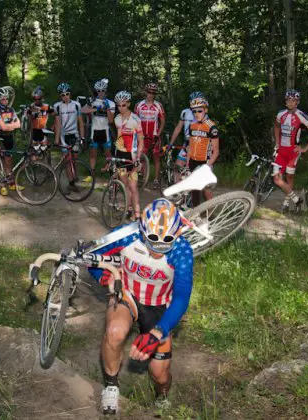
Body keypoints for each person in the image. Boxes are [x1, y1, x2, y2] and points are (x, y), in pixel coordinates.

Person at [85, 199, 194, 415]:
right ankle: (111, 385)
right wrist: (103, 275)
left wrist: (157, 332)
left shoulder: (182, 250)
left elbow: (181, 298)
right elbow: (91, 256)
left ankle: (162, 395)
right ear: (141, 230)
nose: (158, 250)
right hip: (128, 294)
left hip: (160, 305)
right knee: (115, 332)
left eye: (166, 243)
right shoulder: (126, 234)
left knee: (160, 375)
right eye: (153, 242)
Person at [274, 89, 308, 213]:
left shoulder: (302, 116)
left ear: (297, 102)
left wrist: (305, 148)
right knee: (277, 179)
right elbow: (276, 127)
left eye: (293, 100)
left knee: (289, 177)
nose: (290, 102)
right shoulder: (280, 114)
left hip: (293, 152)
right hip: (281, 151)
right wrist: (277, 142)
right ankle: (297, 200)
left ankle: (286, 202)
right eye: (288, 100)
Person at [113, 90, 144, 222]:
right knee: (125, 185)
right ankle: (129, 208)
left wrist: (138, 158)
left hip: (132, 155)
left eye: (124, 105)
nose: (121, 108)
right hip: (120, 154)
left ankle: (137, 215)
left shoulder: (136, 120)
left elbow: (141, 140)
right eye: (119, 105)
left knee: (133, 186)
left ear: (129, 104)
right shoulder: (117, 119)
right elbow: (119, 138)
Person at [185, 96, 219, 207]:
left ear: (205, 110)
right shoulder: (192, 125)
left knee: (206, 190)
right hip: (193, 161)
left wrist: (208, 166)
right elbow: (190, 146)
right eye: (194, 111)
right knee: (194, 190)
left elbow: (216, 151)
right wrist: (187, 163)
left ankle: (211, 214)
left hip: (205, 162)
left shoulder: (211, 127)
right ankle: (196, 214)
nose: (196, 113)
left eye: (199, 110)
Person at [82, 78, 115, 181]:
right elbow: (83, 110)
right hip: (94, 131)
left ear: (106, 91)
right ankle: (91, 175)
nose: (101, 93)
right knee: (92, 154)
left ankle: (112, 176)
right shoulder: (92, 101)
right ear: (96, 91)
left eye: (103, 91)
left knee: (108, 155)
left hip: (105, 131)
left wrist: (107, 108)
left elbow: (110, 120)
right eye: (99, 91)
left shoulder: (111, 103)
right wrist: (96, 108)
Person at [53, 83, 84, 190]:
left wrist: (82, 137)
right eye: (63, 95)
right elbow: (57, 123)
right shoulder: (57, 106)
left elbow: (81, 122)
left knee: (75, 159)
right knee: (67, 159)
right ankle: (71, 182)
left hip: (74, 135)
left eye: (67, 94)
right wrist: (57, 139)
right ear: (60, 96)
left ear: (70, 94)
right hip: (63, 136)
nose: (65, 96)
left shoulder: (76, 105)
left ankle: (74, 176)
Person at [135, 82, 166, 188]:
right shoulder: (139, 105)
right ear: (145, 92)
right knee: (142, 157)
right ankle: (144, 179)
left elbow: (162, 121)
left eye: (153, 92)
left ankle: (156, 180)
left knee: (156, 157)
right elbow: (135, 120)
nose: (151, 94)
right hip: (142, 136)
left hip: (154, 136)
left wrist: (158, 133)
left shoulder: (158, 105)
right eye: (149, 92)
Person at [168, 92, 203, 183]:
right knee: (177, 167)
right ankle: (180, 191)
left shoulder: (203, 114)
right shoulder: (185, 112)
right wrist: (171, 143)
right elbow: (178, 128)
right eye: (192, 101)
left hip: (198, 144)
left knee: (192, 169)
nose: (194, 103)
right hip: (187, 142)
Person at [0, 87, 22, 196]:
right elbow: (3, 127)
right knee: (1, 161)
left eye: (6, 99)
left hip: (9, 137)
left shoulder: (11, 110)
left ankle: (11, 182)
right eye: (3, 99)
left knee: (9, 161)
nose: (5, 101)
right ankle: (1, 185)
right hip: (0, 138)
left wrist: (8, 126)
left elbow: (18, 124)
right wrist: (11, 126)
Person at [26, 86, 53, 151]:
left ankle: (45, 156)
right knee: (34, 152)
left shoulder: (47, 106)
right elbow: (27, 119)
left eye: (39, 99)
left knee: (44, 148)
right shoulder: (31, 107)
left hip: (43, 130)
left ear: (42, 98)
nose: (37, 101)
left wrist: (53, 126)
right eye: (35, 99)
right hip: (34, 130)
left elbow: (57, 116)